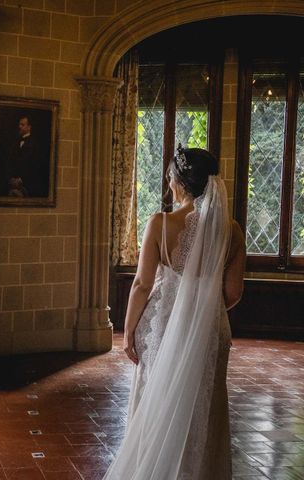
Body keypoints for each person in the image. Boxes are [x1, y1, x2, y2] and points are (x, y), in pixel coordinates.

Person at [103, 146, 246, 479]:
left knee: (158, 397)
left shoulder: (160, 223)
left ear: (181, 183)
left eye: (170, 180)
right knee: (204, 404)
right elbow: (234, 293)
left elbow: (141, 284)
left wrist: (128, 330)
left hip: (163, 324)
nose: (170, 187)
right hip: (211, 329)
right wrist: (200, 313)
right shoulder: (232, 230)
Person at [3, 115, 48, 198]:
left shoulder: (35, 144)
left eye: (22, 125)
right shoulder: (14, 143)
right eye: (19, 124)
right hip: (12, 185)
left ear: (29, 127)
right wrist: (11, 179)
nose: (19, 127)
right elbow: (9, 163)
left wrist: (22, 179)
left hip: (29, 186)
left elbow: (35, 166)